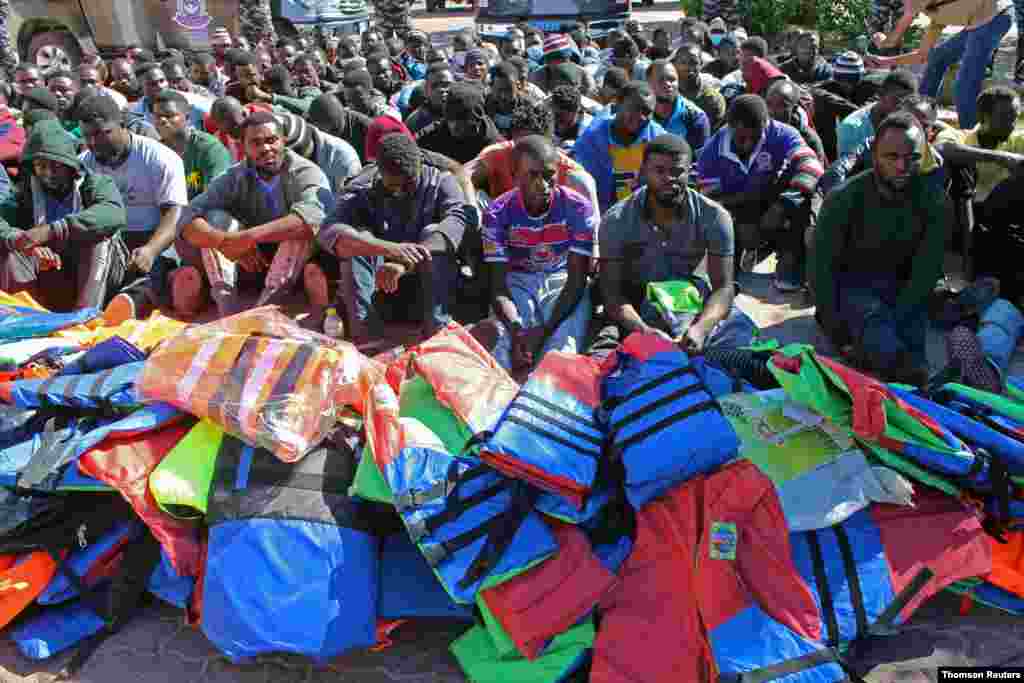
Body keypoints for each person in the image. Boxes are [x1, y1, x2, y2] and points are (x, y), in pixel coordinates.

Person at [590, 133, 756, 357]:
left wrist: (700, 328)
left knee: (742, 338)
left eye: (677, 171)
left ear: (690, 172)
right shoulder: (616, 220)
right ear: (643, 172)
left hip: (689, 297)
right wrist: (644, 331)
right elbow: (612, 295)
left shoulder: (715, 216)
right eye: (659, 171)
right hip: (635, 304)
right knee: (606, 357)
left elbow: (723, 288)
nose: (669, 178)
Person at [813, 111, 948, 386]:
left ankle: (900, 363)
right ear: (874, 154)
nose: (902, 166)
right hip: (852, 288)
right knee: (880, 335)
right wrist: (839, 333)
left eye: (912, 158)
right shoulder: (843, 199)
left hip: (902, 289)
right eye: (892, 157)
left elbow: (925, 271)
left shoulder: (934, 201)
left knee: (908, 343)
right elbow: (821, 272)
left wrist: (902, 317)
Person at [175, 111, 334, 319]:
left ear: (283, 141)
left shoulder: (305, 172)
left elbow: (315, 217)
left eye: (271, 140)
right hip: (249, 261)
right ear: (244, 147)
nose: (266, 148)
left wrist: (247, 237)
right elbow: (186, 218)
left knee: (300, 226)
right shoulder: (235, 176)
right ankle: (226, 304)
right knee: (215, 219)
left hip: (293, 264)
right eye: (256, 143)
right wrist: (223, 242)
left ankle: (268, 305)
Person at [317, 133, 468, 341]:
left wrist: (403, 262)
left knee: (434, 232)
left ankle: (437, 335)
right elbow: (328, 232)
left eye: (409, 183)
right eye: (393, 186)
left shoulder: (441, 181)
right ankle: (366, 339)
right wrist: (386, 248)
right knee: (358, 238)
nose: (401, 192)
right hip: (380, 290)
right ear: (379, 172)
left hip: (429, 290)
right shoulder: (362, 188)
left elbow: (458, 221)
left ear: (419, 166)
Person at [480, 135, 596, 370]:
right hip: (517, 281)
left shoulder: (578, 208)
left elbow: (576, 280)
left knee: (561, 351)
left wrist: (544, 331)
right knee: (502, 349)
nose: (542, 185)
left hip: (562, 280)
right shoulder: (497, 214)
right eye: (532, 175)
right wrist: (517, 331)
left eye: (548, 175)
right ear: (514, 175)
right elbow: (499, 288)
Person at [697, 94, 823, 290]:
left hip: (775, 201)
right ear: (730, 127)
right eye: (741, 139)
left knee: (809, 191)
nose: (748, 143)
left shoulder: (783, 133)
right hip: (737, 207)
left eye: (754, 137)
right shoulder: (711, 152)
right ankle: (730, 263)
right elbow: (711, 201)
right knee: (713, 217)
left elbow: (812, 167)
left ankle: (791, 259)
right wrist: (738, 223)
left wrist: (781, 207)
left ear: (765, 125)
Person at [0, 120, 127, 311]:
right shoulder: (25, 193)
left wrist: (52, 230)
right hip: (49, 273)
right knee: (8, 245)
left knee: (101, 239)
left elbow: (114, 213)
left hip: (94, 275)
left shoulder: (94, 184)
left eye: (56, 166)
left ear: (69, 165)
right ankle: (26, 314)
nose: (48, 173)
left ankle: (85, 315)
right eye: (41, 166)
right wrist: (23, 242)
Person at [77, 94, 187, 280]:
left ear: (121, 124)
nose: (93, 143)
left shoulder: (160, 158)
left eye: (101, 133)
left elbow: (174, 216)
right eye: (87, 136)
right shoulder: (83, 165)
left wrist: (151, 250)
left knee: (151, 279)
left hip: (156, 244)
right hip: (106, 245)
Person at [867, 0, 1013, 129]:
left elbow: (892, 40)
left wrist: (881, 40)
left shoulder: (918, 5)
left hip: (995, 16)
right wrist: (885, 61)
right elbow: (922, 56)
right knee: (937, 59)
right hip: (979, 22)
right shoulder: (936, 13)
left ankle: (970, 135)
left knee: (964, 83)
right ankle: (920, 115)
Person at [819, 93, 953, 198]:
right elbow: (837, 171)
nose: (913, 129)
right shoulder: (871, 145)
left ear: (931, 131)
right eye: (907, 121)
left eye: (922, 125)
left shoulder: (937, 169)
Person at [574, 81, 667, 213]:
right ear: (617, 104)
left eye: (647, 112)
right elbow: (586, 193)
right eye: (635, 108)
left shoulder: (659, 139)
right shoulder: (591, 141)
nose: (640, 116)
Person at [150, 90, 232, 201]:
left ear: (187, 117)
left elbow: (217, 195)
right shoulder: (154, 152)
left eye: (169, 115)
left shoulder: (209, 148)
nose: (162, 120)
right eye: (157, 116)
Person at [811, 51, 880, 163]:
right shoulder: (826, 88)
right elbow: (813, 91)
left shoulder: (873, 87)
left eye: (852, 82)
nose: (847, 85)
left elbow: (874, 103)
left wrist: (855, 112)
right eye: (842, 81)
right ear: (836, 79)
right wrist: (854, 110)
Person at [416, 81, 502, 164]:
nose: (454, 126)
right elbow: (414, 149)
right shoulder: (436, 132)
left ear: (476, 120)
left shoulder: (494, 147)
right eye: (450, 118)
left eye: (461, 120)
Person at [837, 69, 916, 159]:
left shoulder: (914, 124)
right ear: (881, 94)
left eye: (908, 102)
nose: (902, 107)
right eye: (897, 100)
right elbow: (848, 165)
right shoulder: (852, 128)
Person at [647, 60, 711, 155]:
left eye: (672, 79)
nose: (668, 84)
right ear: (648, 83)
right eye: (661, 80)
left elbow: (700, 160)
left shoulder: (695, 117)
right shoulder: (638, 113)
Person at [766, 79, 826, 162]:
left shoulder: (808, 139)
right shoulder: (759, 131)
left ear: (793, 109)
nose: (772, 111)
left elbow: (814, 169)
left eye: (781, 105)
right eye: (769, 104)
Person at [673, 44, 727, 132]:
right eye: (682, 62)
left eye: (693, 62)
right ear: (675, 65)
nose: (687, 67)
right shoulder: (667, 94)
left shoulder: (713, 99)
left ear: (701, 64)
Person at [531, 34, 597, 96]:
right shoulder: (538, 77)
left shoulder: (583, 74)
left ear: (569, 57)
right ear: (548, 62)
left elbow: (590, 92)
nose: (561, 65)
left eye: (563, 59)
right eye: (556, 60)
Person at [486, 61, 537, 137]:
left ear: (518, 85)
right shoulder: (484, 104)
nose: (503, 96)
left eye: (508, 90)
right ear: (491, 87)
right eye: (499, 90)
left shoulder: (530, 108)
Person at [405, 63, 454, 134]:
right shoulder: (414, 122)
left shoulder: (464, 114)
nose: (441, 89)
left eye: (446, 84)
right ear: (426, 89)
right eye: (435, 85)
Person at [549, 85, 593, 152]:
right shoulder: (548, 113)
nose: (556, 119)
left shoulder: (587, 131)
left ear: (576, 111)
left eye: (561, 116)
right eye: (555, 114)